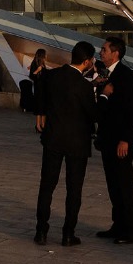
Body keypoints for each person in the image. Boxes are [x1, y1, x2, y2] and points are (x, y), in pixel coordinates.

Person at [33, 40, 98, 246]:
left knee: (47, 186)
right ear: (87, 62)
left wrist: (41, 111)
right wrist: (104, 96)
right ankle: (68, 234)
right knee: (74, 189)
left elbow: (40, 84)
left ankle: (41, 231)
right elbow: (93, 114)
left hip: (53, 139)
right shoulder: (84, 86)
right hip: (77, 143)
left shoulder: (53, 76)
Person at [95, 36, 133, 245]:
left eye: (104, 50)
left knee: (124, 184)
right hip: (107, 139)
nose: (101, 53)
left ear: (115, 53)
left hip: (120, 140)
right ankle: (118, 224)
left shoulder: (125, 76)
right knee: (113, 184)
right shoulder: (105, 74)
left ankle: (132, 230)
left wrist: (126, 139)